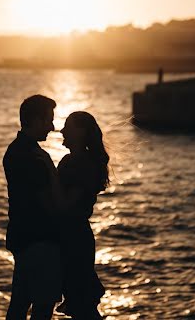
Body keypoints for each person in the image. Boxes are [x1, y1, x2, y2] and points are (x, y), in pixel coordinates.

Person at [3, 94, 62, 320]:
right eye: (48, 120)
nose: (52, 126)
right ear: (35, 120)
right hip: (40, 241)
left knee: (19, 303)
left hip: (22, 238)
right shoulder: (35, 158)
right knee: (42, 307)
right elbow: (49, 204)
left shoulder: (14, 150)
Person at [52, 111, 109, 319]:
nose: (63, 130)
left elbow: (66, 204)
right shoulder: (74, 161)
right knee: (80, 303)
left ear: (82, 132)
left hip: (74, 238)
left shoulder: (80, 164)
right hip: (73, 236)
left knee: (81, 305)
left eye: (69, 126)